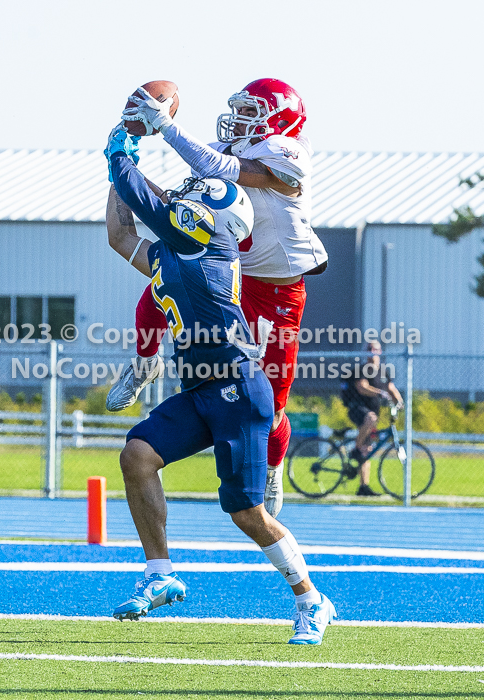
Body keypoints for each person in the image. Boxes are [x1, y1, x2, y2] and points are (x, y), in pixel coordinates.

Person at [104, 126, 336, 645]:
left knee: (246, 513)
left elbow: (148, 202)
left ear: (214, 219)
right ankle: (159, 574)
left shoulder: (208, 254)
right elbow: (122, 236)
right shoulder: (179, 252)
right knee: (137, 454)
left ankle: (311, 600)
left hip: (239, 389)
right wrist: (115, 171)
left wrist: (122, 151)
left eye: (193, 201)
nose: (183, 199)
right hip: (202, 391)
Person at [106, 78, 328, 519]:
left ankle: (273, 464)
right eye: (240, 109)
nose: (239, 119)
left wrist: (167, 129)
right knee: (155, 295)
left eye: (251, 111)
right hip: (229, 272)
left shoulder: (290, 153)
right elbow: (180, 204)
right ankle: (145, 362)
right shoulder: (213, 148)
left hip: (278, 288)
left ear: (279, 118)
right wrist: (125, 166)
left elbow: (231, 172)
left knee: (275, 402)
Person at [340, 341, 403, 496]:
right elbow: (362, 387)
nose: (372, 352)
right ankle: (355, 449)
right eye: (369, 349)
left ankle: (363, 487)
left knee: (367, 450)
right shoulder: (362, 369)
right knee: (371, 418)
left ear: (380, 351)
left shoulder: (383, 372)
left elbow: (391, 389)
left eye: (375, 349)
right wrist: (380, 393)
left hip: (372, 413)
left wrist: (400, 403)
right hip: (357, 410)